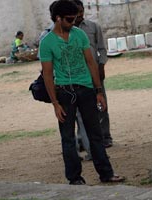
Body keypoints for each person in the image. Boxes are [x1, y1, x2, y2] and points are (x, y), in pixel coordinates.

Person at [39, 0, 125, 184]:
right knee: (68, 137)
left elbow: (90, 62)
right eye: (69, 20)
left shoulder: (79, 35)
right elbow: (47, 74)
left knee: (95, 134)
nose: (73, 23)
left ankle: (106, 173)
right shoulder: (46, 42)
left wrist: (98, 90)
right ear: (57, 18)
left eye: (75, 19)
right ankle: (75, 178)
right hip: (64, 92)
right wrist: (55, 103)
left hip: (86, 89)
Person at [73, 0, 113, 161]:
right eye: (76, 11)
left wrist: (101, 65)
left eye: (81, 10)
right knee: (80, 110)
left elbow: (102, 49)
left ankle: (105, 137)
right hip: (78, 76)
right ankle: (83, 140)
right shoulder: (67, 31)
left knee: (101, 106)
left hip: (95, 72)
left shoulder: (93, 27)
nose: (79, 14)